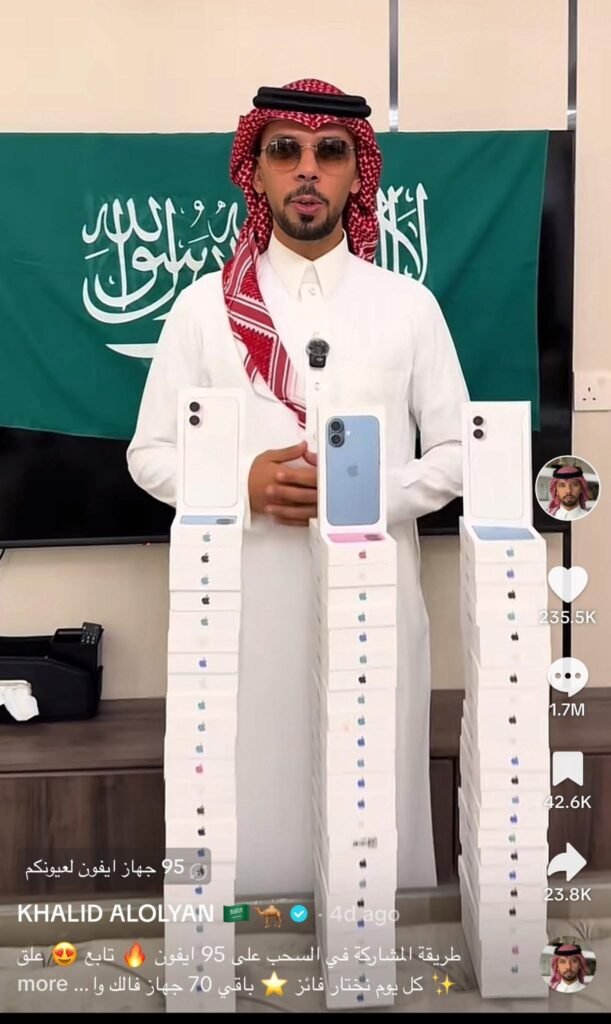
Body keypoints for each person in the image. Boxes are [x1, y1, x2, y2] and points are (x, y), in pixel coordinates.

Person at [127, 78, 469, 895]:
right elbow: (149, 453)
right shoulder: (203, 309)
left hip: (374, 602)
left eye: (329, 152)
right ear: (256, 171)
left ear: (357, 174)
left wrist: (368, 495)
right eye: (285, 150)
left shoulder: (407, 307)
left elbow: (459, 452)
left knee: (372, 801)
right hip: (244, 610)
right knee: (251, 789)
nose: (307, 168)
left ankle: (374, 947)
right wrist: (237, 484)